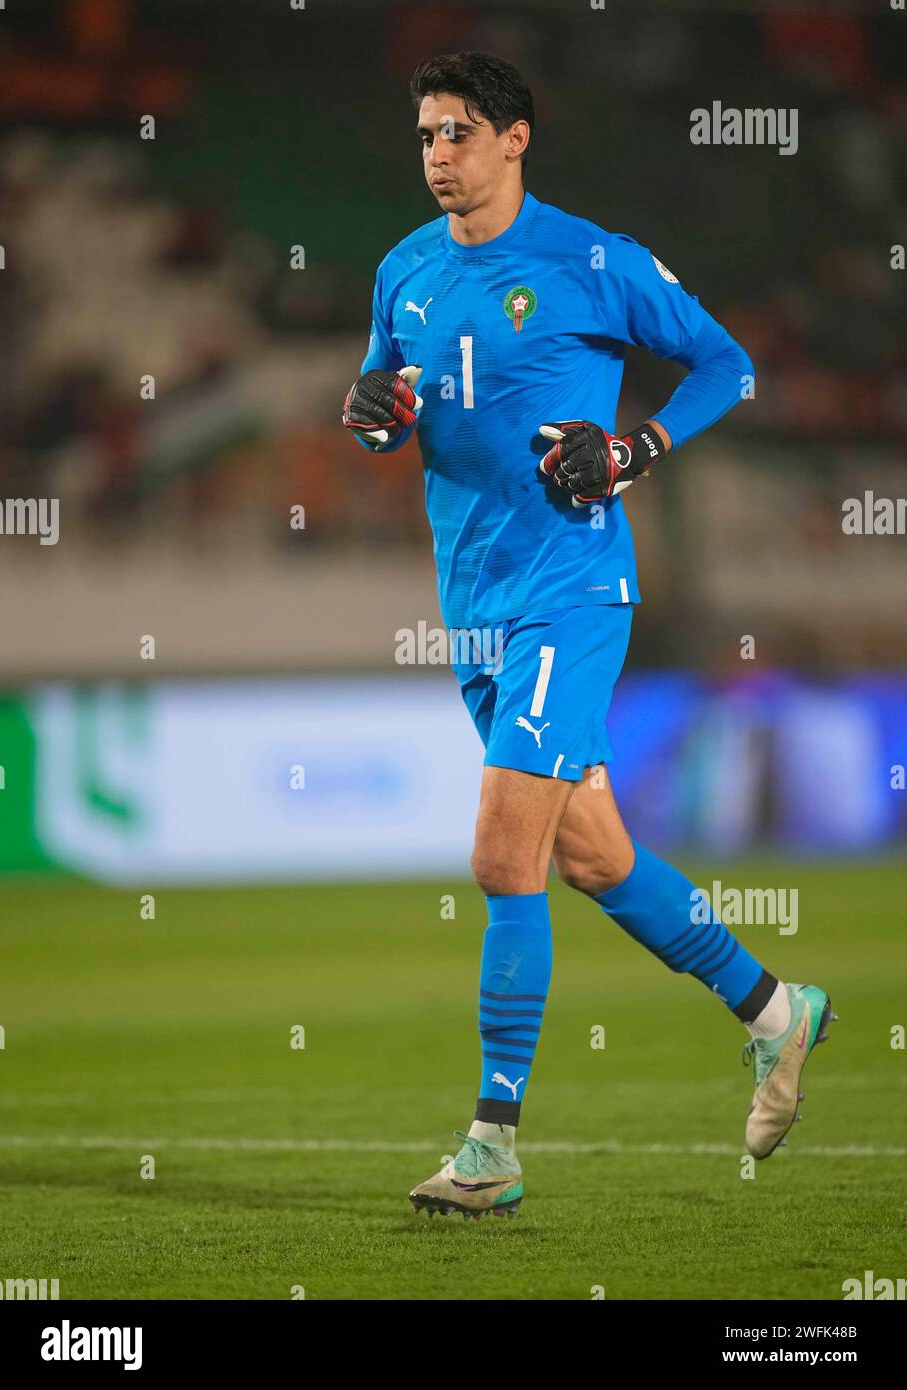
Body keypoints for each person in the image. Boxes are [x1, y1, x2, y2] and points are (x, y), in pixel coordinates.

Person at [342, 51, 835, 1220]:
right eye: (423, 136)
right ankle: (778, 1010)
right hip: (474, 610)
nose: (437, 156)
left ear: (515, 140)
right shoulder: (402, 270)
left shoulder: (592, 259)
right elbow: (383, 402)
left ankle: (492, 1145)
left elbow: (726, 363)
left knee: (502, 859)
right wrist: (370, 420)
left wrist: (632, 451)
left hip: (571, 591)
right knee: (594, 856)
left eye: (457, 133)